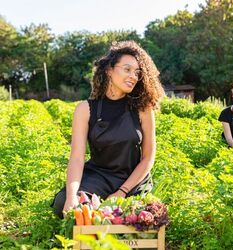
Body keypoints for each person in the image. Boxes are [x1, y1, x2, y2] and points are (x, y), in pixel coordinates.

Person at [52, 40, 165, 218]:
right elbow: (76, 158)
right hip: (99, 177)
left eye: (137, 72)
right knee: (63, 204)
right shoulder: (85, 109)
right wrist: (72, 196)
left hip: (133, 180)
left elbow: (148, 157)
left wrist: (121, 192)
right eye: (127, 69)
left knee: (141, 214)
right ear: (109, 70)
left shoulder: (143, 108)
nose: (133, 76)